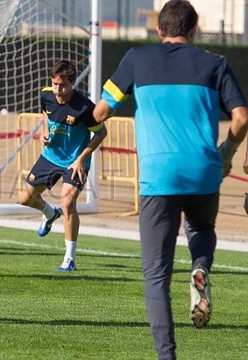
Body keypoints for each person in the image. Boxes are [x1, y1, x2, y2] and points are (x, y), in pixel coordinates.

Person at [92, 1, 248, 358]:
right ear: (193, 31)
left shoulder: (136, 59)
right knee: (202, 228)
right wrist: (227, 153)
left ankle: (167, 355)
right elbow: (241, 117)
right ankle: (200, 268)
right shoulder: (215, 63)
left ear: (159, 30)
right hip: (204, 170)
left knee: (156, 276)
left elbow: (100, 112)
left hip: (159, 175)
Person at [18, 60, 106, 272]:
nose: (58, 89)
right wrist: (45, 132)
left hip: (75, 160)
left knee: (67, 202)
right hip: (50, 156)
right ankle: (50, 214)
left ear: (72, 83)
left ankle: (69, 258)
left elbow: (101, 133)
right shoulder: (46, 94)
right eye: (55, 83)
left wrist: (81, 159)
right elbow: (45, 113)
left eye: (63, 85)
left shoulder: (85, 107)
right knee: (25, 198)